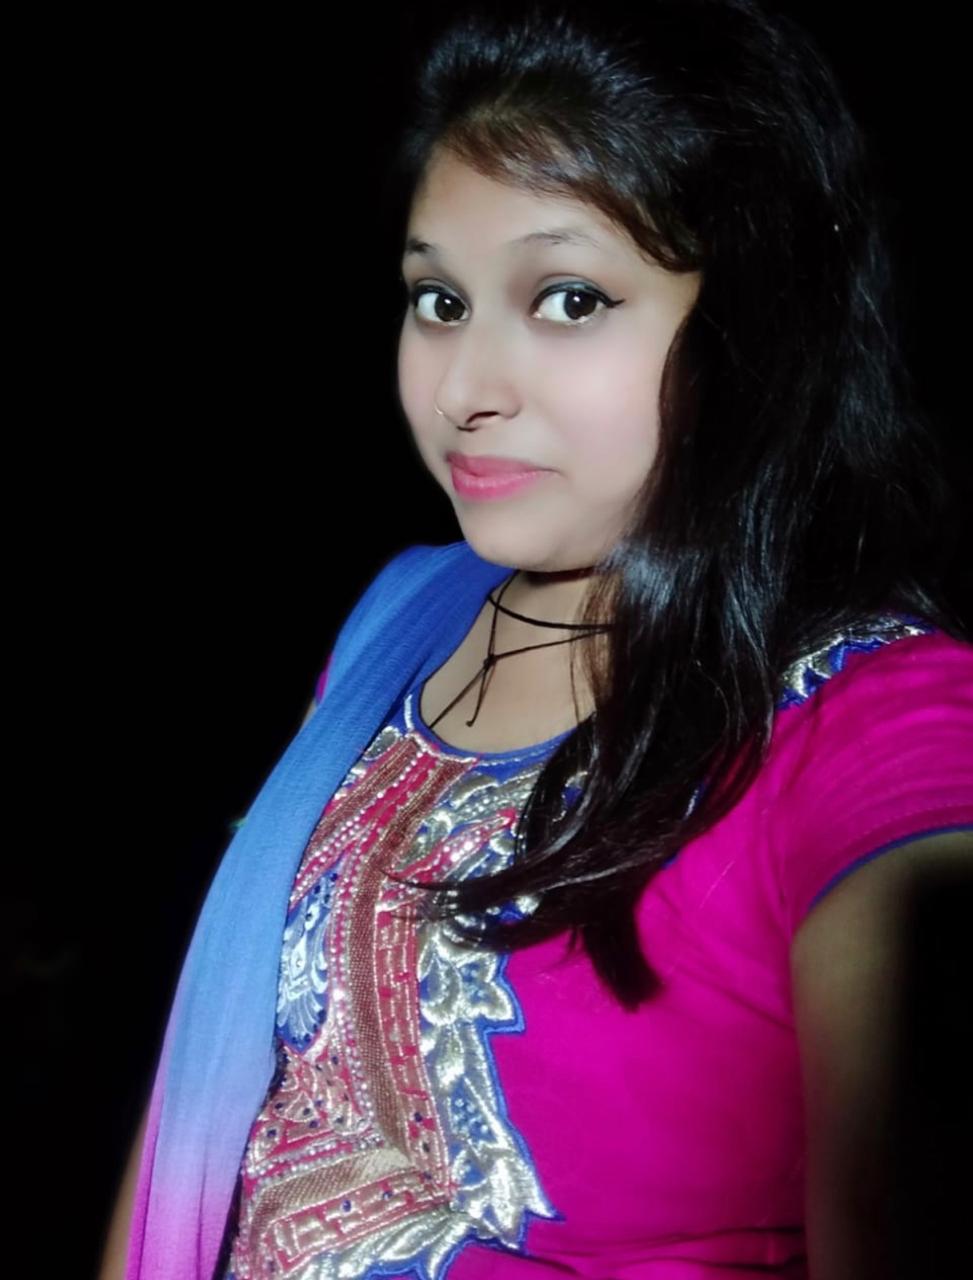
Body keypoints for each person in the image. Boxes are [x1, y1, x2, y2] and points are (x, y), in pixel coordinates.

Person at [99, 2, 973, 1278]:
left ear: (761, 322)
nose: (465, 388)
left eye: (568, 299)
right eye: (438, 299)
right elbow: (213, 1099)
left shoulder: (883, 724)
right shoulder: (402, 616)